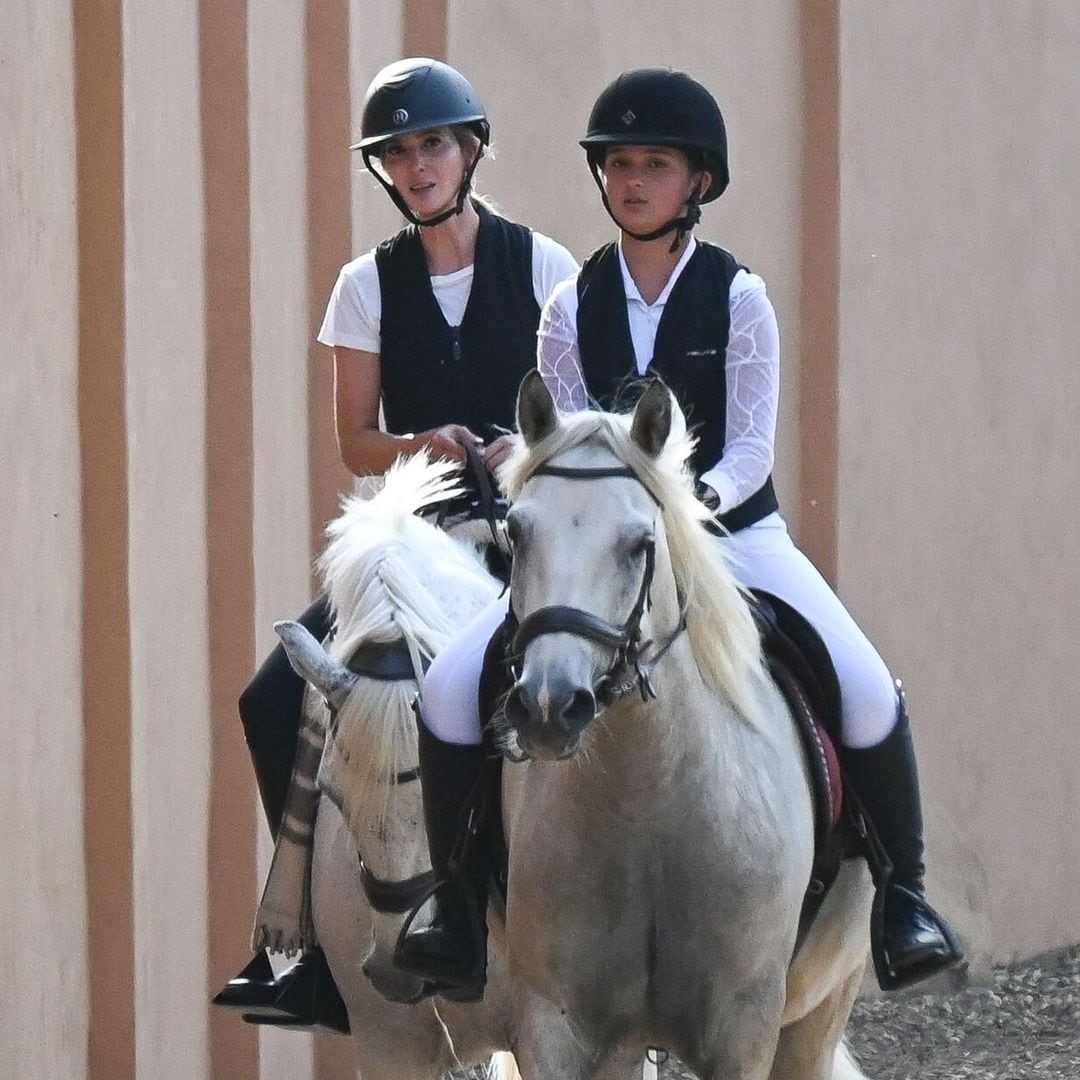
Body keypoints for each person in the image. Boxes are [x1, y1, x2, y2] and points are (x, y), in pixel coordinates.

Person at [396, 67, 963, 1000]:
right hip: (593, 555)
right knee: (455, 687)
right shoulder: (569, 307)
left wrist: (670, 511)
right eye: (618, 164)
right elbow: (558, 444)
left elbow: (746, 449)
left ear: (698, 181)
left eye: (654, 164)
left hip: (736, 538)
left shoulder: (740, 298)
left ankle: (905, 900)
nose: (631, 180)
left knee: (863, 683)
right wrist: (594, 514)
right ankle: (452, 908)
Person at [213, 56, 577, 1026]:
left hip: (521, 535)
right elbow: (354, 441)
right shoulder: (362, 287)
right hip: (412, 543)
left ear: (469, 152)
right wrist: (424, 443)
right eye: (398, 153)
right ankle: (297, 936)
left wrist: (520, 449)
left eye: (432, 145)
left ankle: (618, 923)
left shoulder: (545, 268)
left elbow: (577, 421)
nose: (416, 165)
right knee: (276, 693)